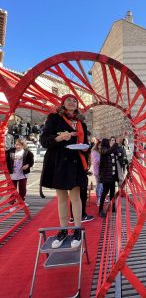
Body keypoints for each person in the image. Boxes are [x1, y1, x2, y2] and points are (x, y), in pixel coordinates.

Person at [40, 94, 89, 249]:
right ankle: (63, 230)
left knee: (75, 197)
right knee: (61, 198)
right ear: (63, 103)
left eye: (75, 101)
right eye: (69, 100)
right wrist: (60, 138)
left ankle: (77, 230)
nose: (72, 102)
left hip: (75, 163)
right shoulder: (54, 118)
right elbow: (44, 140)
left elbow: (86, 143)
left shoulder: (81, 122)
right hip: (59, 162)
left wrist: (87, 147)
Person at [6, 138, 34, 209]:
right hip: (12, 174)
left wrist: (27, 165)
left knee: (23, 189)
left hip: (23, 174)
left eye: (19, 145)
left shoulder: (28, 152)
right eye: (16, 144)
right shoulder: (10, 151)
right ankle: (12, 203)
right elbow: (4, 158)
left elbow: (31, 162)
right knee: (12, 189)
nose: (17, 146)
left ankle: (22, 201)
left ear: (23, 145)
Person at [98, 137, 121, 217]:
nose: (109, 142)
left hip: (113, 175)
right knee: (104, 192)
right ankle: (100, 209)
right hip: (106, 176)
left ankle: (112, 207)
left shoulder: (111, 150)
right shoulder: (103, 150)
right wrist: (116, 143)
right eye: (108, 141)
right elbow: (108, 151)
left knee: (112, 192)